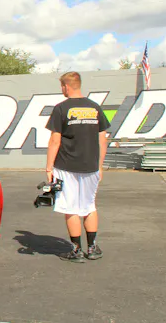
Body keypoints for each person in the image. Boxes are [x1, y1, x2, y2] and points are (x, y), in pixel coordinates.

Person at [45, 71, 110, 263]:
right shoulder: (95, 107)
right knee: (89, 206)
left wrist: (49, 167)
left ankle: (76, 250)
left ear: (66, 86)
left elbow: (55, 140)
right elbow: (102, 139)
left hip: (66, 166)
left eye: (62, 86)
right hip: (91, 165)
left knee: (71, 207)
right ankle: (92, 248)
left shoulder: (61, 108)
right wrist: (99, 166)